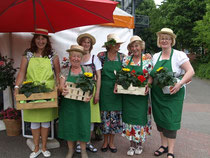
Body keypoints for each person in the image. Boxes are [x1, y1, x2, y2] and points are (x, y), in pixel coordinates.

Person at [15, 28, 60, 158]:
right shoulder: (28, 53)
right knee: (34, 121)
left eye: (43, 38)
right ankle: (36, 148)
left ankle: (44, 147)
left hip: (48, 92)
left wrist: (58, 87)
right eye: (38, 38)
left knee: (46, 121)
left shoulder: (52, 54)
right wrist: (17, 86)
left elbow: (58, 73)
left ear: (47, 40)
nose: (41, 41)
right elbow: (22, 72)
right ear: (34, 39)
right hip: (31, 91)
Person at [150, 28, 195, 158]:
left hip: (173, 94)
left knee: (170, 121)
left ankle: (171, 150)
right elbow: (152, 75)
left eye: (167, 38)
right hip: (157, 95)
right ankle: (163, 145)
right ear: (159, 40)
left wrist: (180, 84)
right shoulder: (155, 56)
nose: (164, 40)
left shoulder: (179, 55)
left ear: (171, 41)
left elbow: (190, 71)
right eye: (162, 38)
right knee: (160, 120)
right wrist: (147, 85)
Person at [58, 45, 93, 158]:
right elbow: (60, 86)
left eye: (78, 56)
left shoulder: (87, 70)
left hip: (82, 105)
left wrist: (90, 96)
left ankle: (83, 150)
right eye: (73, 56)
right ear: (70, 57)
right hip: (68, 105)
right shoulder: (64, 71)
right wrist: (62, 90)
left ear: (82, 58)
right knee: (70, 126)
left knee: (82, 125)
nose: (76, 58)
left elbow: (91, 87)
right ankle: (70, 150)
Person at [121, 35, 153, 156]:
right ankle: (131, 145)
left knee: (140, 119)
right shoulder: (125, 60)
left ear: (141, 46)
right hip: (128, 95)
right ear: (130, 48)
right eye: (132, 46)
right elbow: (121, 75)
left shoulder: (147, 60)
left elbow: (151, 76)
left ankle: (139, 144)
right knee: (129, 119)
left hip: (141, 96)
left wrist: (147, 85)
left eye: (137, 46)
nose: (135, 48)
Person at [97, 33, 125, 153]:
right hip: (104, 89)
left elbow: (125, 73)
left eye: (119, 43)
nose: (118, 45)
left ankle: (112, 142)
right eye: (116, 44)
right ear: (110, 45)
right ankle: (105, 141)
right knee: (104, 116)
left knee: (115, 117)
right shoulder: (101, 56)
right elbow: (97, 72)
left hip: (117, 89)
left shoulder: (122, 57)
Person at [75, 33, 102, 153]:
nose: (86, 44)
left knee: (90, 119)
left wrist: (97, 94)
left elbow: (99, 77)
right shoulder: (76, 57)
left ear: (91, 45)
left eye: (88, 42)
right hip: (78, 92)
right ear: (80, 44)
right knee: (79, 117)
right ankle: (78, 143)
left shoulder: (94, 58)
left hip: (91, 92)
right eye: (84, 42)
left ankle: (88, 142)